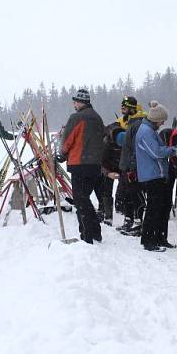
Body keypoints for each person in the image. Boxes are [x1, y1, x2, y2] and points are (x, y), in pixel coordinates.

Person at [59, 88, 105, 244]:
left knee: (80, 201)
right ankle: (96, 232)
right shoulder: (98, 118)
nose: (74, 105)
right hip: (95, 166)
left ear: (79, 102)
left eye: (75, 102)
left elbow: (67, 141)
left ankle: (87, 236)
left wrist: (62, 154)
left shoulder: (76, 118)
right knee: (85, 199)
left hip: (79, 164)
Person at [135, 104, 177, 252]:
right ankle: (148, 241)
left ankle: (160, 238)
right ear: (156, 120)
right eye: (162, 121)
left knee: (163, 207)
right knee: (153, 209)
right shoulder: (145, 132)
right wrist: (173, 150)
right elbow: (155, 152)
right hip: (152, 175)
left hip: (158, 174)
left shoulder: (150, 130)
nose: (163, 124)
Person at [117, 96, 147, 234]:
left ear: (132, 108)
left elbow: (136, 148)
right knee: (127, 195)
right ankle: (128, 220)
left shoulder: (138, 124)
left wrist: (133, 168)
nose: (122, 108)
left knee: (136, 195)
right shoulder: (130, 122)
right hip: (126, 165)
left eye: (125, 106)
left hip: (133, 167)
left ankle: (138, 223)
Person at [99, 122, 124, 226]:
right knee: (106, 189)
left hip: (122, 165)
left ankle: (122, 209)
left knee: (125, 187)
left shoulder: (127, 140)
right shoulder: (105, 143)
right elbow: (100, 162)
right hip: (107, 165)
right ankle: (107, 215)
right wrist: (108, 173)